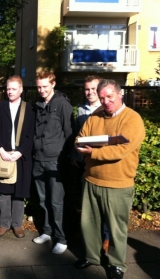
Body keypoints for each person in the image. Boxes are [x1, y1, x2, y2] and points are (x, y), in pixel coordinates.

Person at [74, 79, 145, 279]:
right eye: (102, 97)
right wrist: (80, 146)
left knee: (116, 228)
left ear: (120, 94)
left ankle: (116, 264)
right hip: (91, 180)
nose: (105, 101)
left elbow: (122, 150)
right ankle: (92, 256)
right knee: (89, 224)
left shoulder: (132, 119)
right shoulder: (94, 117)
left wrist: (92, 152)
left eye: (109, 97)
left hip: (118, 184)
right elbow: (80, 138)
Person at [0, 75, 35, 238]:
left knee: (18, 191)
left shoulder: (29, 109)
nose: (10, 92)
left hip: (21, 156)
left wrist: (20, 151)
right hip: (3, 155)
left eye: (14, 89)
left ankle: (17, 224)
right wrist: (0, 150)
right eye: (8, 88)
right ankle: (4, 224)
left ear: (21, 90)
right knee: (3, 191)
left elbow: (31, 133)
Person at [32, 70, 74, 254]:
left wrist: (65, 158)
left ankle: (61, 238)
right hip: (38, 159)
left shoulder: (62, 104)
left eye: (45, 86)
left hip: (55, 161)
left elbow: (69, 133)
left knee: (57, 201)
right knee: (43, 200)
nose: (41, 90)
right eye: (39, 87)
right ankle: (48, 231)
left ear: (53, 84)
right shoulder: (39, 104)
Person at [71, 75, 110, 253]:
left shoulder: (106, 110)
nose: (89, 92)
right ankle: (88, 234)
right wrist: (75, 156)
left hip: (100, 162)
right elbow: (77, 136)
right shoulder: (81, 110)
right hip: (83, 162)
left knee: (103, 204)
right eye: (87, 89)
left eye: (93, 89)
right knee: (86, 202)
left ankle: (106, 238)